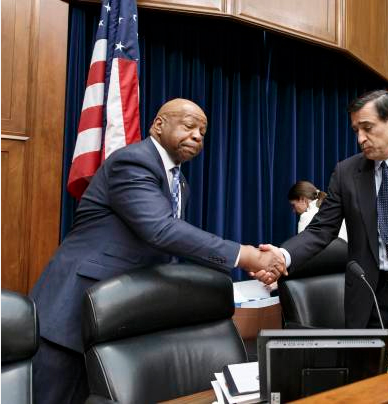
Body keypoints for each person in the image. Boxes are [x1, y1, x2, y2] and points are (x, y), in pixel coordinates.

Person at [30, 98, 284, 404]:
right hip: (74, 310)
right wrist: (246, 256)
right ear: (158, 124)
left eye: (203, 132)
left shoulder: (180, 183)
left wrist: (251, 266)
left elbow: (170, 244)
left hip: (120, 314)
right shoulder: (133, 161)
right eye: (190, 126)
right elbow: (161, 230)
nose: (197, 136)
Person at [264, 90, 388, 340]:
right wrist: (282, 255)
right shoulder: (346, 173)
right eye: (356, 130)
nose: (360, 138)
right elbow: (321, 229)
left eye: (367, 128)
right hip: (369, 299)